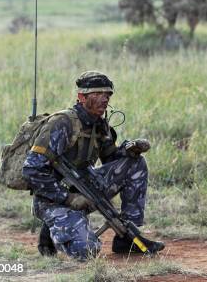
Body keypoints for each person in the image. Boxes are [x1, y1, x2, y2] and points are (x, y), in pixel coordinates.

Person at [22, 71, 164, 260]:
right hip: (52, 198)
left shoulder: (99, 124)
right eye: (98, 94)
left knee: (135, 163)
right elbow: (31, 170)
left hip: (87, 188)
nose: (104, 99)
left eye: (108, 95)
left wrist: (131, 150)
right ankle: (53, 229)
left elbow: (110, 158)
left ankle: (127, 238)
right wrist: (68, 198)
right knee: (87, 251)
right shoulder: (62, 123)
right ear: (81, 97)